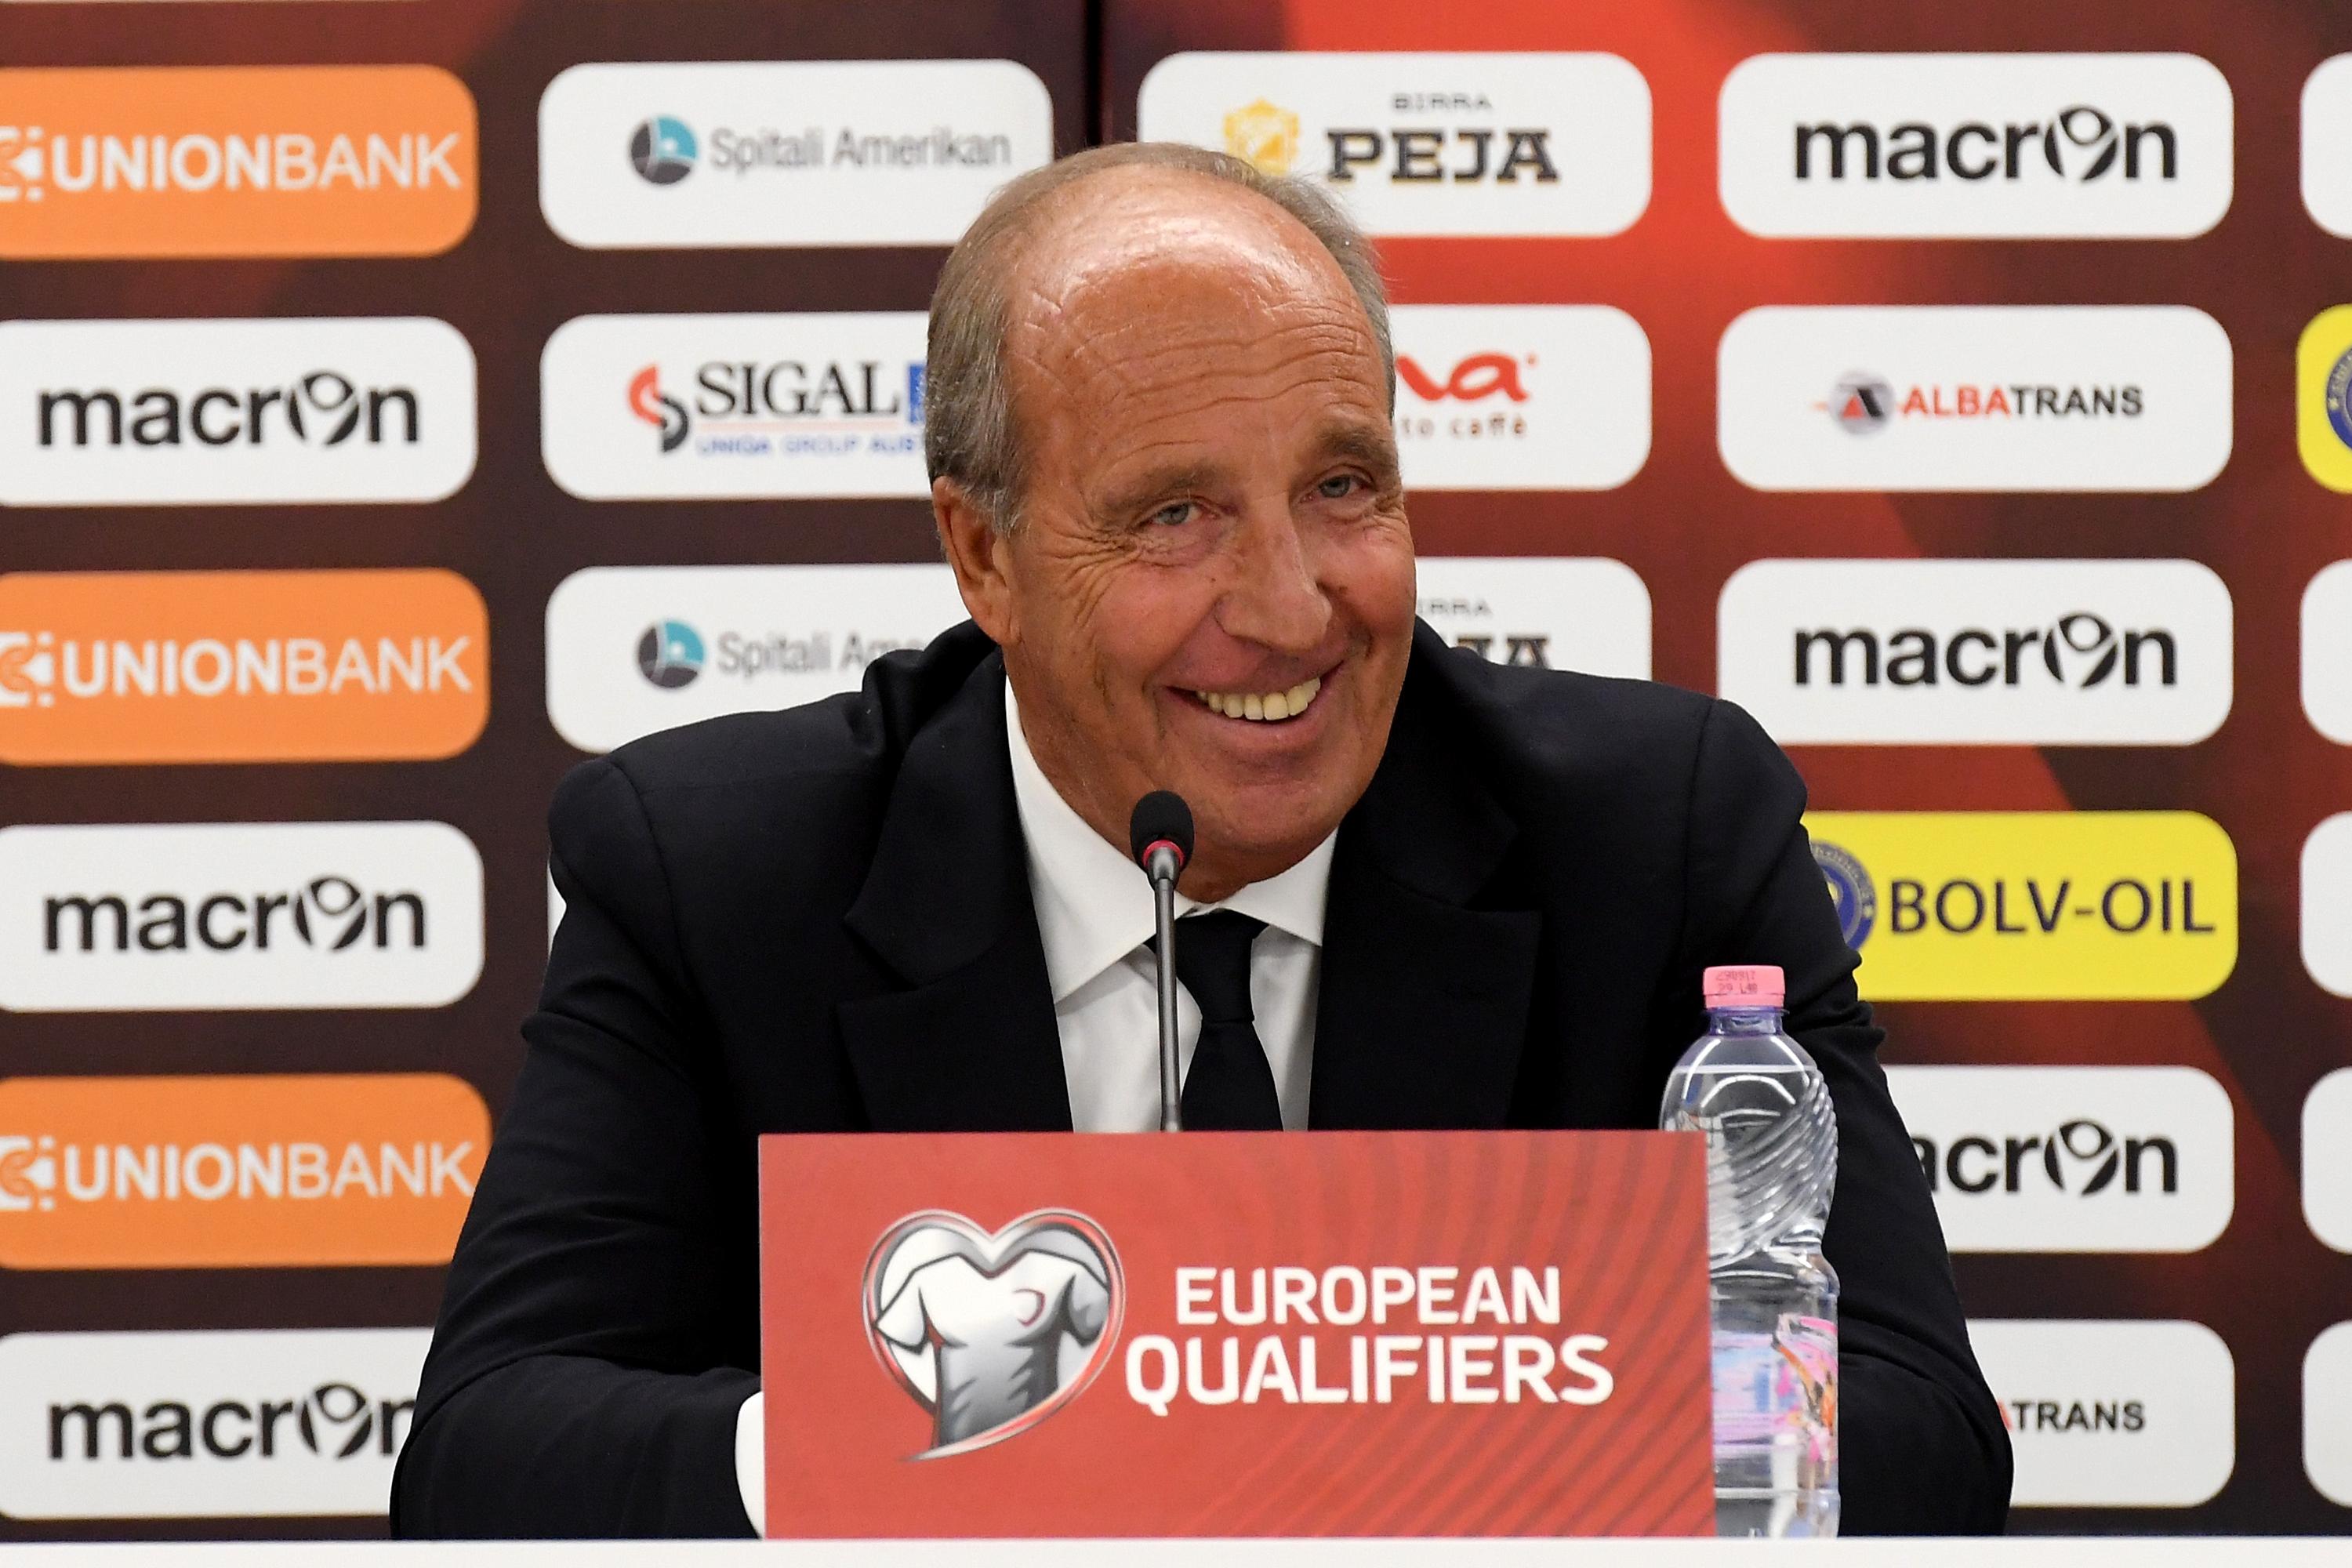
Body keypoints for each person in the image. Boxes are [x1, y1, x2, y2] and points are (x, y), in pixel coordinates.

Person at [391, 142, 2010, 1537]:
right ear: (985, 555)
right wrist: (948, 1434)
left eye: (1343, 487)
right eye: (1177, 515)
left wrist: (1386, 1416)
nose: (1294, 607)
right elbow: (487, 1457)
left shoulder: (1651, 837)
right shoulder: (721, 869)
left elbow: (1923, 1436)